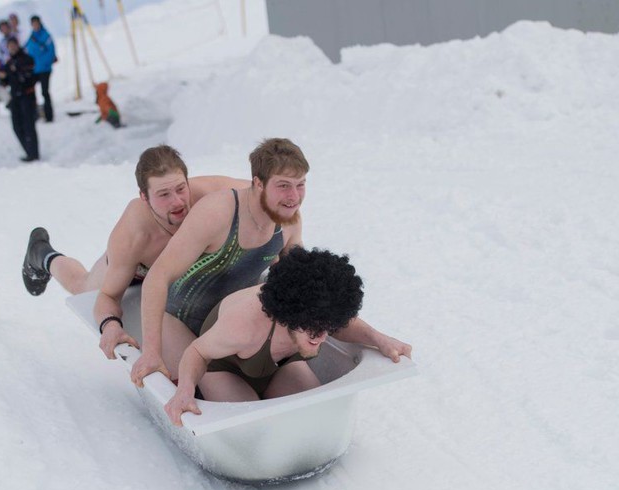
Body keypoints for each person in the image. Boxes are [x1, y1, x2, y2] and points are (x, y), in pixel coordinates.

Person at [21, 145, 248, 359]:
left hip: (184, 267)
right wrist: (110, 326)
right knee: (82, 287)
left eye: (181, 189)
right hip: (139, 269)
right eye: (163, 194)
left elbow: (267, 194)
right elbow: (108, 297)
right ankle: (42, 255)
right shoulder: (133, 234)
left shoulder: (215, 193)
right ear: (144, 197)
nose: (177, 201)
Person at [164, 247, 412, 426]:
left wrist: (380, 338)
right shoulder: (243, 325)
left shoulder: (315, 316)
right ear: (288, 312)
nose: (323, 337)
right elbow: (197, 351)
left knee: (314, 415)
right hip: (225, 368)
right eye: (314, 328)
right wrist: (185, 389)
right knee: (252, 426)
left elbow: (343, 322)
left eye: (328, 327)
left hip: (277, 366)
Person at [134, 138, 308, 384]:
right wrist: (151, 353)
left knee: (300, 384)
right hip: (180, 322)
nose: (294, 197)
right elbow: (157, 277)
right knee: (215, 393)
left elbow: (302, 284)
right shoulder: (216, 212)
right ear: (259, 183)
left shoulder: (289, 219)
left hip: (233, 323)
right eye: (284, 185)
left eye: (300, 185)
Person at [0, 37, 38, 161]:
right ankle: (28, 150)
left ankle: (33, 153)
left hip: (27, 96)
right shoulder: (9, 62)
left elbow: (31, 76)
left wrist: (17, 71)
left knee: (28, 125)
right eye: (9, 46)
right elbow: (5, 80)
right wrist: (2, 76)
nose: (12, 48)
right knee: (16, 126)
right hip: (15, 97)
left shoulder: (26, 59)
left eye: (13, 45)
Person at [25, 15, 56, 122]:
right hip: (34, 70)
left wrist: (44, 63)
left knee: (44, 92)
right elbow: (27, 50)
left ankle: (49, 115)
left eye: (36, 23)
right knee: (30, 91)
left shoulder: (46, 35)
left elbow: (51, 52)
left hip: (45, 69)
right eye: (33, 24)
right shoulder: (31, 37)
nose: (35, 25)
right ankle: (35, 114)